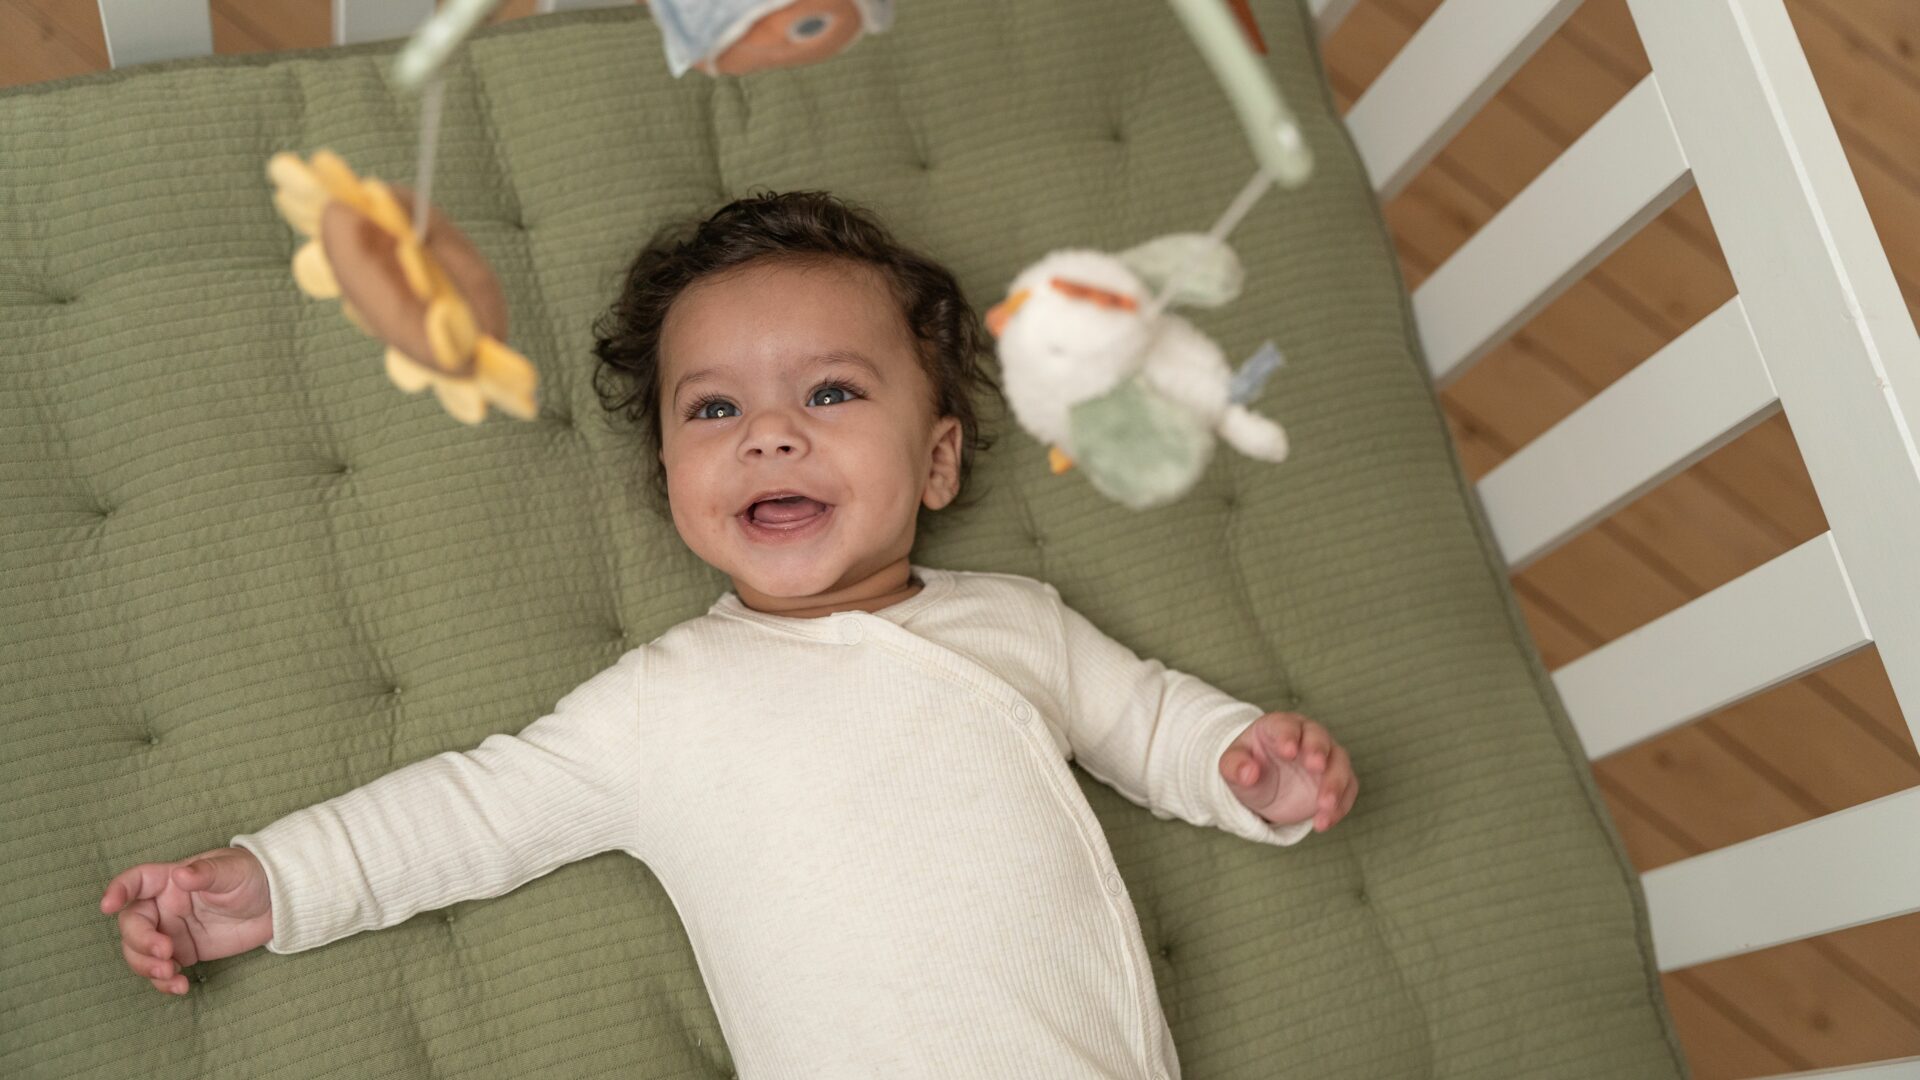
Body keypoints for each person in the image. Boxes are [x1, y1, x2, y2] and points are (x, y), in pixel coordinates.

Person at [100, 190, 1358, 1078]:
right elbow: (468, 813)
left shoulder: (1018, 624)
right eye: (714, 410)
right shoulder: (663, 704)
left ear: (937, 461)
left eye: (830, 391)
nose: (770, 433)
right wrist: (271, 884)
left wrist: (1246, 765)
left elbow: (1150, 720)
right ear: (671, 482)